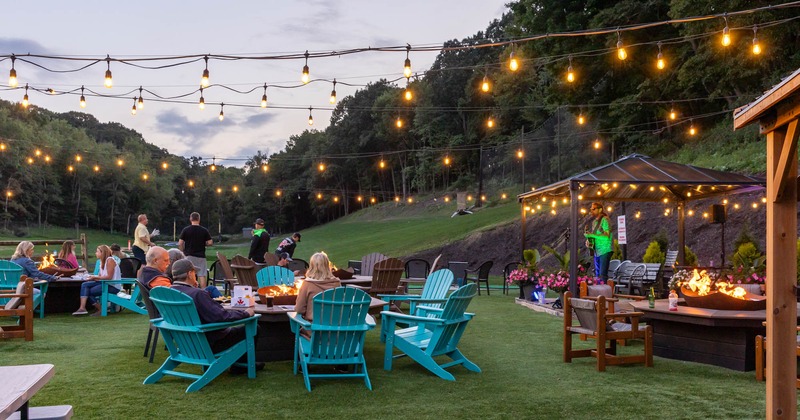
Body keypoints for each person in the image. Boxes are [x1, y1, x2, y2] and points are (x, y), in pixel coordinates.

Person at [169, 259, 263, 372]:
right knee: (254, 328)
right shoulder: (197, 294)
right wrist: (246, 313)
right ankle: (241, 366)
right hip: (209, 344)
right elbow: (221, 316)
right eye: (194, 273)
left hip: (186, 344)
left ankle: (239, 364)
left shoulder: (167, 293)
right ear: (189, 274)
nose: (196, 275)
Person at [72, 245, 121, 316]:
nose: (96, 253)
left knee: (88, 291)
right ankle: (82, 308)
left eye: (97, 251)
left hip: (112, 286)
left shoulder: (110, 260)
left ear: (103, 253)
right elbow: (101, 276)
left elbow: (109, 277)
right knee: (84, 285)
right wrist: (92, 277)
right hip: (105, 283)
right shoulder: (101, 262)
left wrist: (95, 277)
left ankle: (101, 310)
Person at [294, 252, 341, 324]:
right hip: (334, 328)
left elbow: (299, 309)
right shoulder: (336, 283)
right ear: (327, 265)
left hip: (314, 329)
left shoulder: (307, 284)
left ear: (312, 266)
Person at [179, 212, 213, 288]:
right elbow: (210, 242)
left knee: (189, 274)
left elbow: (180, 243)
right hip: (201, 256)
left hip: (189, 255)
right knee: (202, 275)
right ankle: (203, 291)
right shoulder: (204, 230)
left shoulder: (186, 230)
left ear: (190, 219)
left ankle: (190, 290)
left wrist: (182, 252)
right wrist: (205, 243)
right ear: (199, 219)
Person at [584, 202, 613, 281]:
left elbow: (607, 236)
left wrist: (592, 235)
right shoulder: (594, 222)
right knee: (597, 275)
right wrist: (589, 242)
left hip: (605, 250)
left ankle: (604, 292)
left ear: (600, 209)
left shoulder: (605, 220)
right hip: (597, 251)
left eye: (593, 209)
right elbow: (596, 236)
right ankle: (599, 291)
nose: (591, 211)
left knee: (602, 274)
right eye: (591, 209)